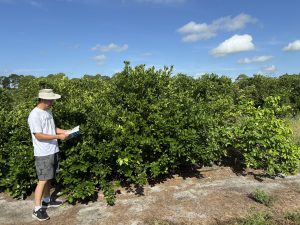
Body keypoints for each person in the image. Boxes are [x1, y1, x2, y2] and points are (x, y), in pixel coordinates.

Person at [28, 89, 70, 221]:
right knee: (42, 180)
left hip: (53, 149)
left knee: (49, 178)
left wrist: (66, 131)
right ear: (44, 99)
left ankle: (47, 200)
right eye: (51, 100)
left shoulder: (48, 111)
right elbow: (38, 135)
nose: (53, 102)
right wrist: (58, 136)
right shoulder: (34, 115)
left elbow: (52, 128)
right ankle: (36, 209)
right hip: (43, 152)